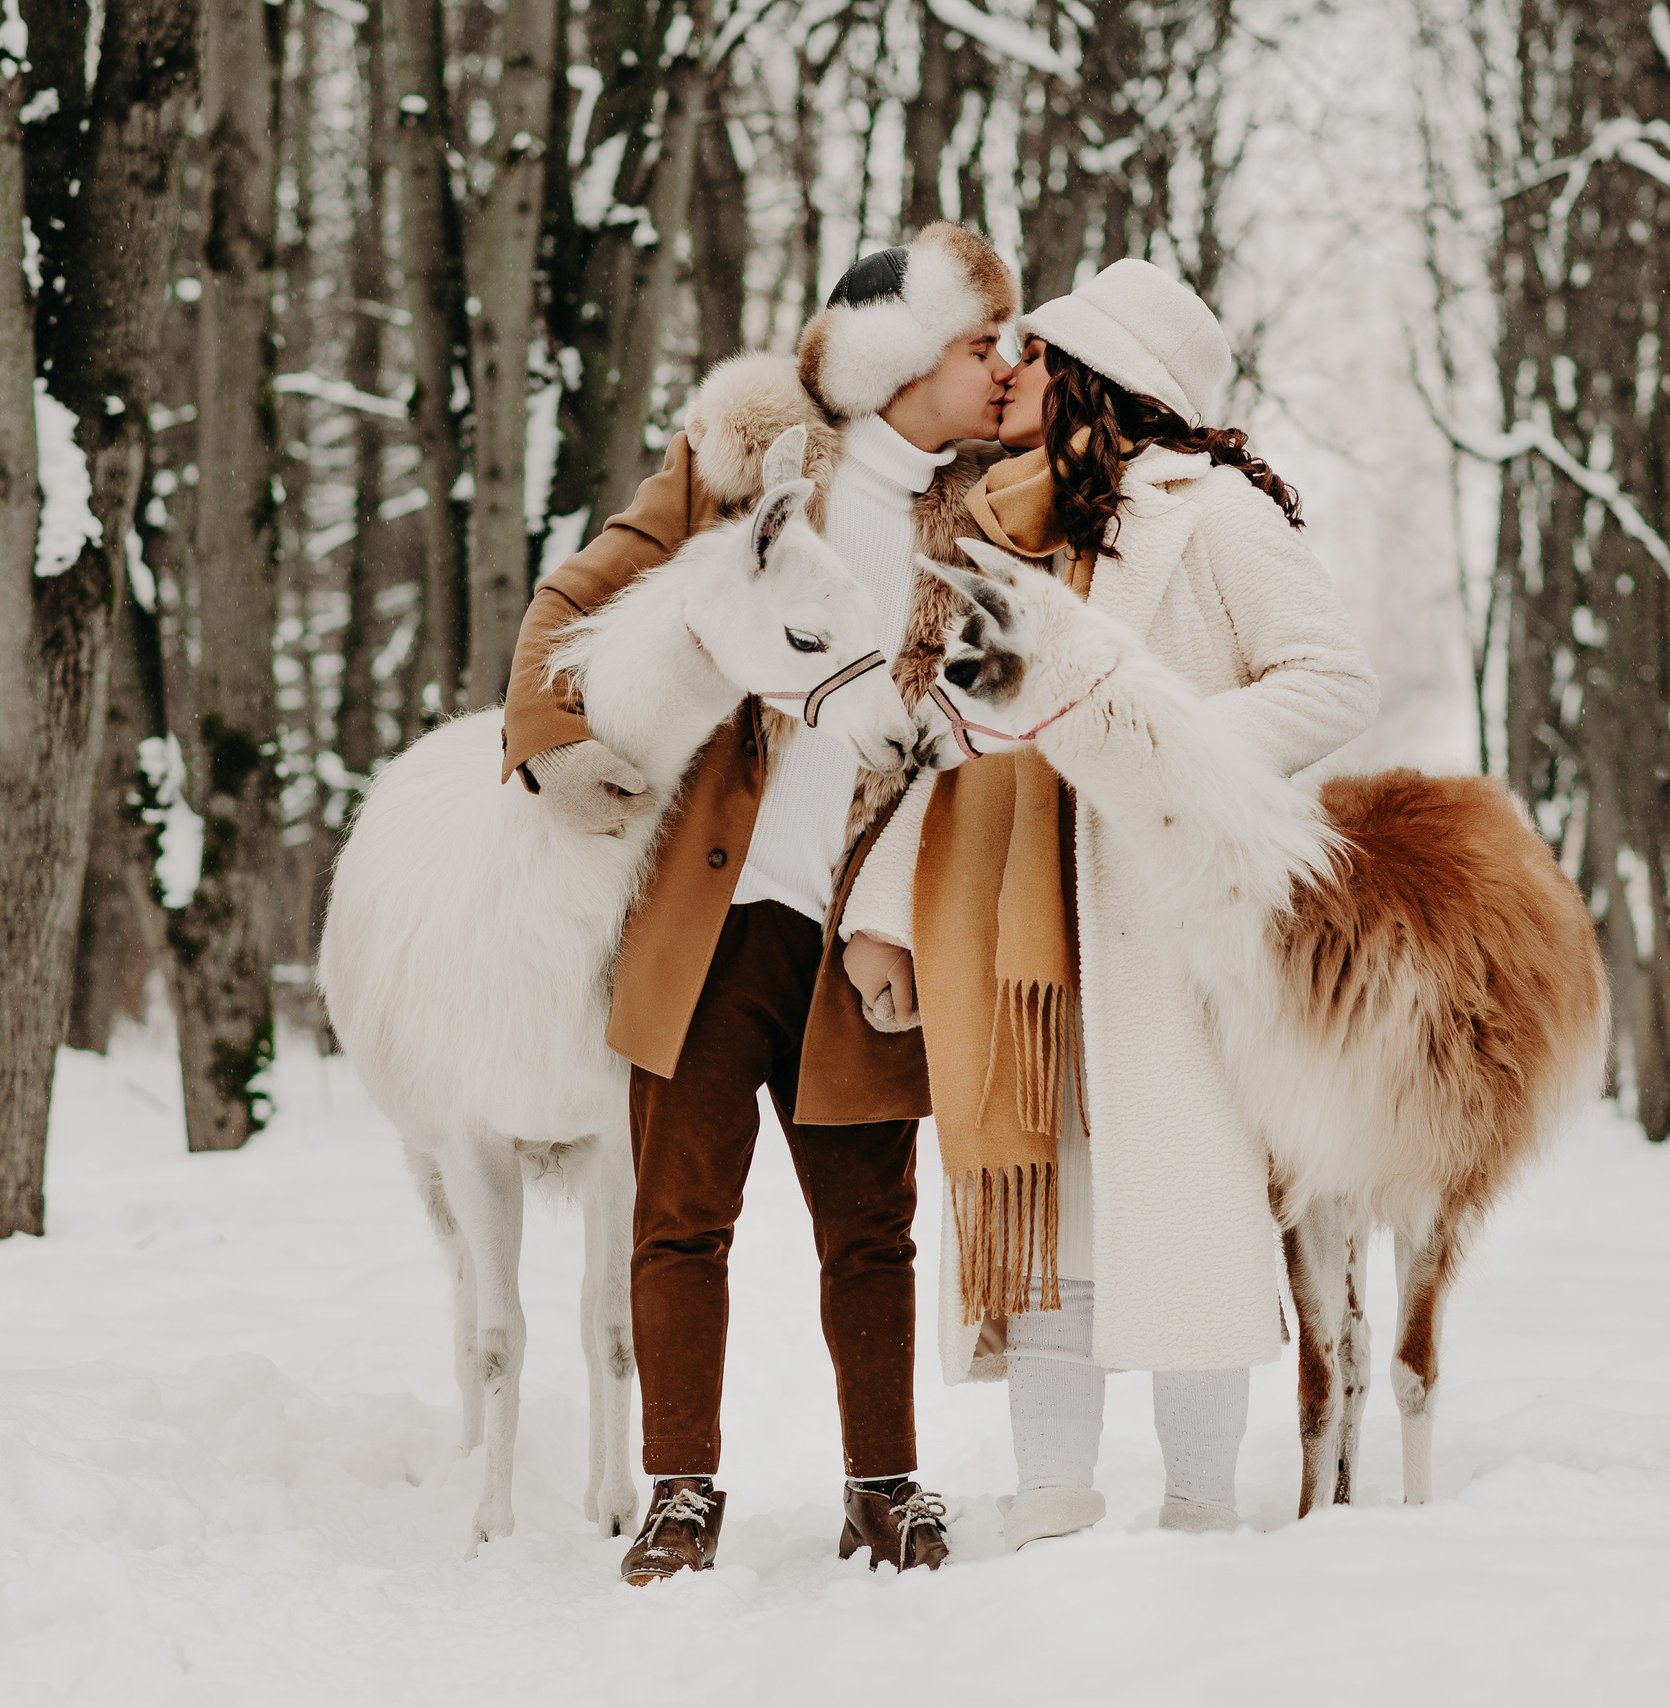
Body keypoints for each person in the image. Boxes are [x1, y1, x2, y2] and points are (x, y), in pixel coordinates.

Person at [500, 223, 1021, 1583]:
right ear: (906, 362)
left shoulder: (993, 516)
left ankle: (884, 1486)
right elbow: (576, 597)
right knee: (681, 1212)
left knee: (873, 1224)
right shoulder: (751, 465)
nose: (1003, 364)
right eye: (982, 343)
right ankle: (682, 1494)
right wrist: (553, 747)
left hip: (868, 927)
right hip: (712, 907)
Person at [837, 258, 1379, 1547]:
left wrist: (1162, 745)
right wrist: (885, 912)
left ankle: (1200, 1513)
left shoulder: (1217, 515)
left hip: (1169, 924)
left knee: (1191, 1211)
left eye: (1037, 354)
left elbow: (1331, 680)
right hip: (1023, 930)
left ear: (1105, 382)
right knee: (1052, 1214)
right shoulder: (1015, 531)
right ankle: (1050, 1507)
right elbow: (976, 754)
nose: (1010, 368)